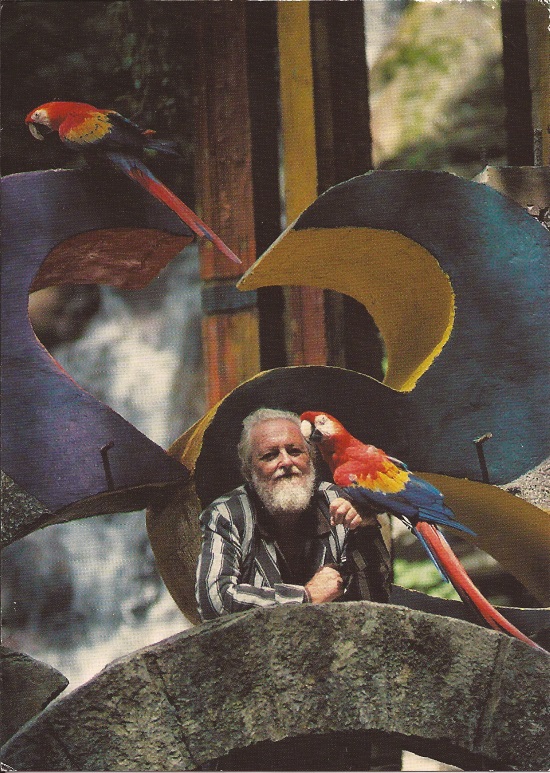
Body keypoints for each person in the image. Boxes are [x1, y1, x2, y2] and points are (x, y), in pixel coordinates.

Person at [195, 408, 391, 622]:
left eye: (295, 451)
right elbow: (214, 602)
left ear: (311, 459)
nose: (286, 462)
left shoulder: (340, 502)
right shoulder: (226, 515)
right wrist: (305, 597)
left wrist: (366, 529)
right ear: (249, 471)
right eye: (270, 455)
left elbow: (375, 602)